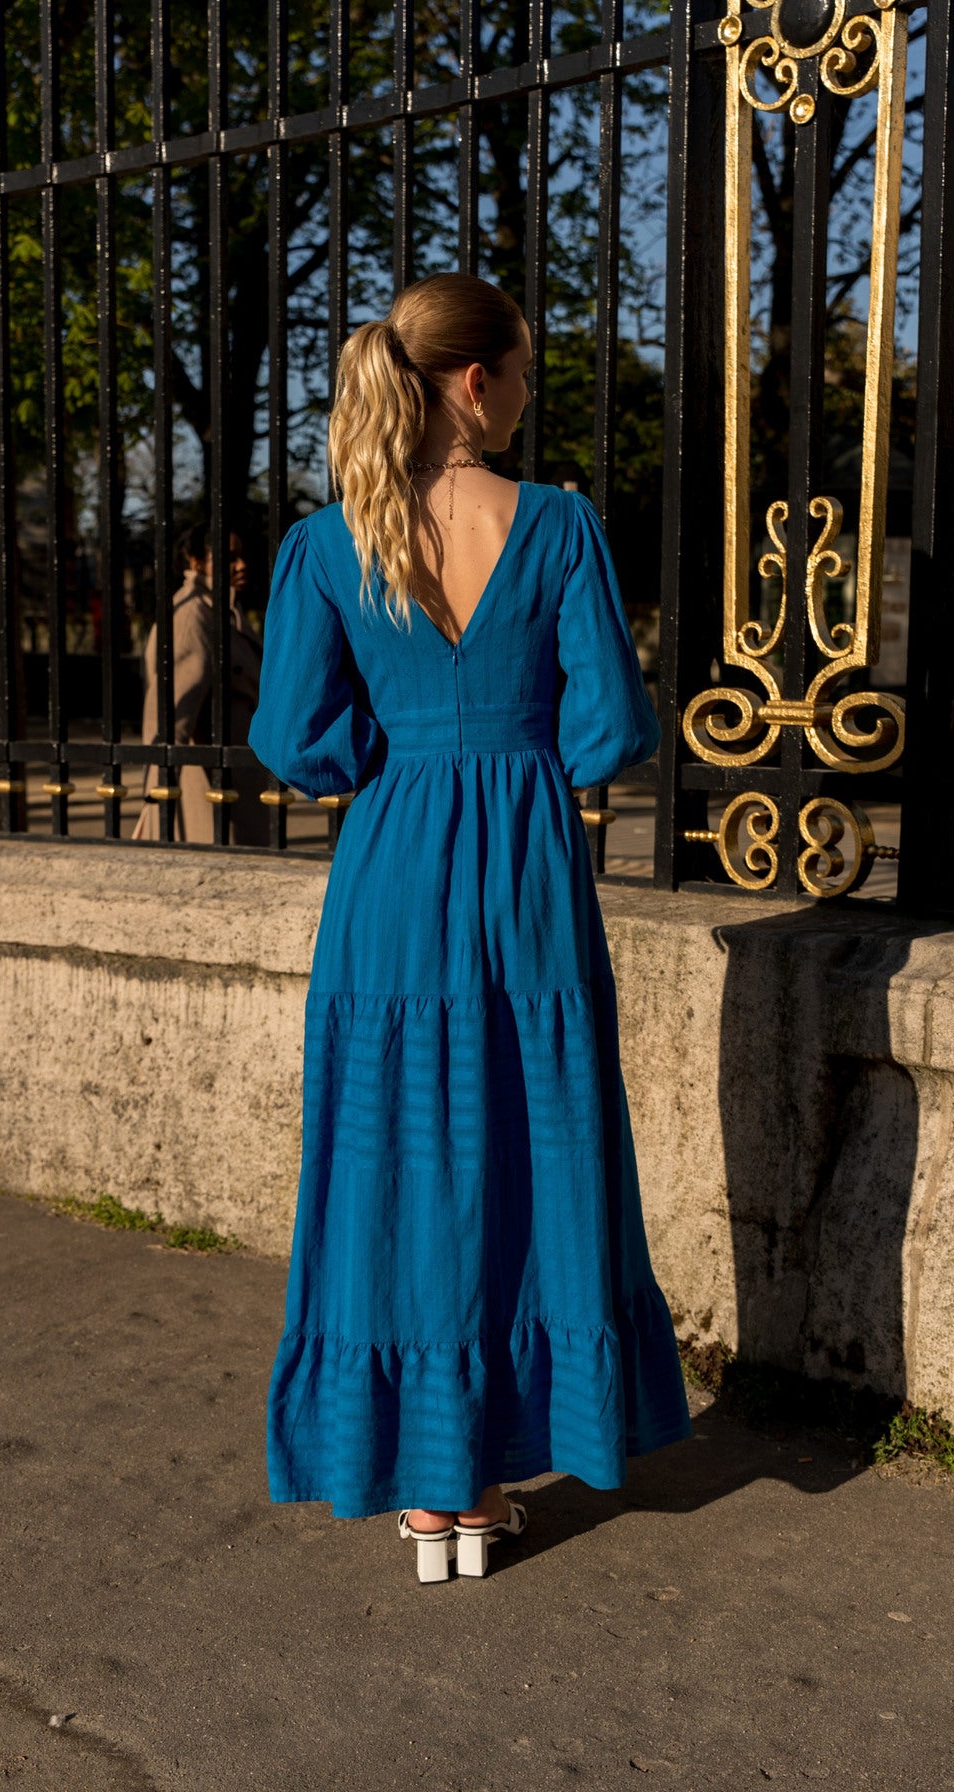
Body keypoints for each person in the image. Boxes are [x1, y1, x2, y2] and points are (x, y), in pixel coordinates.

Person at [248, 271, 691, 1584]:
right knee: (529, 1151)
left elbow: (296, 741)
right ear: (477, 380)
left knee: (392, 1162)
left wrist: (401, 749)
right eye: (525, 370)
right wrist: (512, 744)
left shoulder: (327, 544)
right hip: (527, 876)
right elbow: (609, 730)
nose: (527, 394)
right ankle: (488, 1475)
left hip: (390, 873)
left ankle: (427, 1488)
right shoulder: (556, 525)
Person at [132, 526, 269, 845]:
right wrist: (158, 790)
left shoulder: (222, 611)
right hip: (208, 788)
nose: (241, 565)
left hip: (236, 781)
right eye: (229, 557)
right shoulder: (193, 614)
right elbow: (171, 713)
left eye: (241, 556)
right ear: (195, 562)